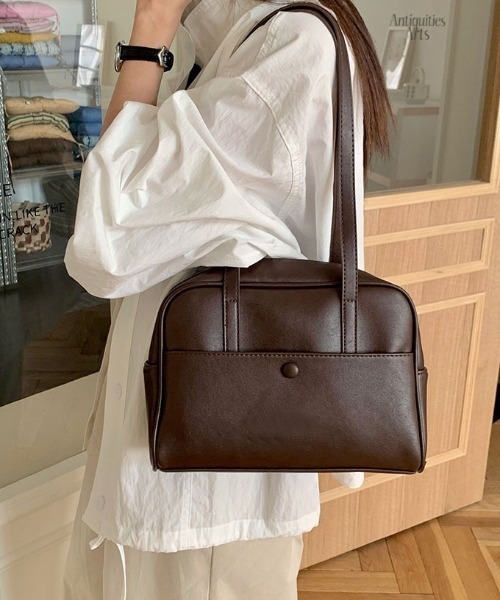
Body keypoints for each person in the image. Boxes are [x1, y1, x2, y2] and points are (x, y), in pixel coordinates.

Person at [63, 0, 391, 598]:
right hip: (178, 440)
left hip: (210, 483)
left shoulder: (290, 45)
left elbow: (107, 232)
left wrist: (151, 28)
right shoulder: (236, 44)